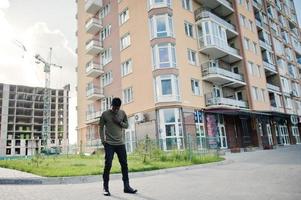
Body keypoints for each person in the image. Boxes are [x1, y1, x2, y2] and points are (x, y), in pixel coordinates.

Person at [99, 97, 137, 196]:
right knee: (108, 165)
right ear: (111, 105)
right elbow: (101, 127)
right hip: (110, 144)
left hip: (120, 143)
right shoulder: (105, 114)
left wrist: (118, 122)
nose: (115, 110)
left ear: (119, 107)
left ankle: (127, 187)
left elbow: (126, 126)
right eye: (114, 107)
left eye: (117, 108)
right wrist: (103, 141)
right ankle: (105, 188)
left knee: (124, 165)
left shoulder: (122, 113)